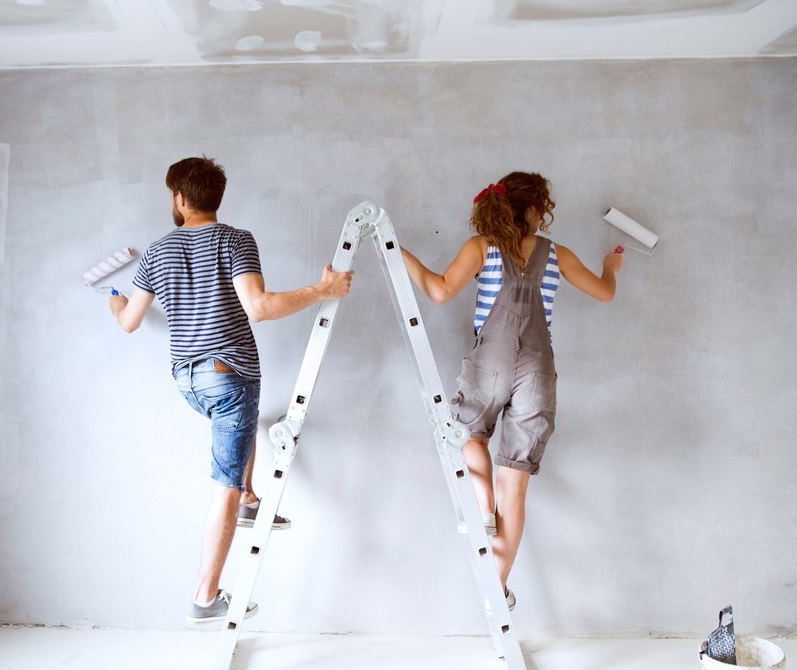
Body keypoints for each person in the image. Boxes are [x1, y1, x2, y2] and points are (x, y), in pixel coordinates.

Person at [108, 156, 354, 624]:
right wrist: (323, 290)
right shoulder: (234, 240)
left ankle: (249, 498)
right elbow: (258, 308)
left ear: (180, 198)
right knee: (224, 479)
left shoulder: (157, 252)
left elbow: (130, 323)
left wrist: (117, 304)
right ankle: (205, 597)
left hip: (188, 380)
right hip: (228, 375)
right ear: (214, 197)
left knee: (239, 436)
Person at [401, 171, 622, 610]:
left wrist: (399, 254)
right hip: (538, 372)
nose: (545, 213)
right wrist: (610, 269)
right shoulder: (557, 254)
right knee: (516, 489)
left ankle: (483, 508)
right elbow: (604, 294)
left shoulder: (482, 248)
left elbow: (439, 291)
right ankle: (495, 590)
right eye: (542, 205)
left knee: (468, 434)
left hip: (491, 365)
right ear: (531, 208)